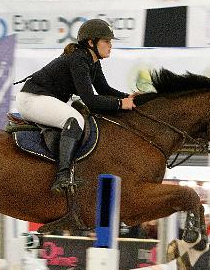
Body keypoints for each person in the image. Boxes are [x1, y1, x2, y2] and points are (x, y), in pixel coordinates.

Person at [15, 19, 135, 194]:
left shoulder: (91, 60)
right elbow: (90, 100)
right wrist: (120, 104)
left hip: (42, 99)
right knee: (75, 119)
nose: (111, 46)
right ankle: (62, 176)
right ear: (91, 43)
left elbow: (104, 89)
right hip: (32, 99)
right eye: (107, 41)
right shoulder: (78, 59)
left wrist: (129, 98)